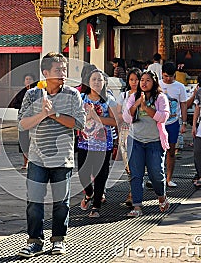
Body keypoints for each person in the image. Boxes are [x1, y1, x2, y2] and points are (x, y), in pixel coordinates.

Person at [17, 52, 85, 257]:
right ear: (45, 73)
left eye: (64, 69)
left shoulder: (72, 94)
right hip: (38, 157)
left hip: (62, 158)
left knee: (61, 202)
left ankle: (58, 239)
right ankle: (34, 241)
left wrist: (54, 114)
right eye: (58, 70)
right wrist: (42, 114)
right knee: (34, 202)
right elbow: (22, 123)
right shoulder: (32, 95)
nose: (62, 73)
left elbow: (79, 123)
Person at [123, 70, 170, 217]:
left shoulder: (161, 98)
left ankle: (161, 197)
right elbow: (126, 117)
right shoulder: (133, 97)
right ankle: (137, 206)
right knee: (136, 174)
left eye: (147, 80)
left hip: (154, 141)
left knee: (156, 173)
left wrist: (145, 108)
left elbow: (163, 117)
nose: (143, 83)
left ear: (154, 82)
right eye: (141, 80)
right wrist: (137, 104)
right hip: (135, 140)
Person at [77, 69, 117, 218]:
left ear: (104, 83)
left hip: (103, 143)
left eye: (100, 80)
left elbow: (114, 122)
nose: (97, 83)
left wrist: (96, 116)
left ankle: (96, 206)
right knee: (83, 173)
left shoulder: (109, 100)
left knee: (101, 174)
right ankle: (89, 193)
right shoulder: (81, 98)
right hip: (84, 142)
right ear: (88, 82)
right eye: (93, 79)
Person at [159, 62, 188, 188]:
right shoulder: (157, 85)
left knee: (171, 151)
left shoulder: (179, 87)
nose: (168, 79)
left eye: (171, 76)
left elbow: (183, 104)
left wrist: (184, 123)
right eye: (166, 76)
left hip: (173, 122)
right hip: (159, 122)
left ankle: (169, 178)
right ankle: (157, 176)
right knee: (156, 150)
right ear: (162, 74)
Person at [116, 67, 142, 206]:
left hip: (140, 131)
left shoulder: (144, 96)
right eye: (131, 79)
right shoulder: (124, 96)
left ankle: (134, 193)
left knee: (137, 162)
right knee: (127, 164)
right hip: (125, 130)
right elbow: (118, 114)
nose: (134, 82)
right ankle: (133, 189)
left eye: (136, 80)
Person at [9, 73, 36, 169]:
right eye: (26, 79)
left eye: (30, 79)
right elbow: (15, 104)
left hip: (35, 119)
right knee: (24, 141)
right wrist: (24, 107)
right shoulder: (21, 92)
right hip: (24, 119)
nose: (28, 81)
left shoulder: (37, 92)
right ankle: (25, 162)